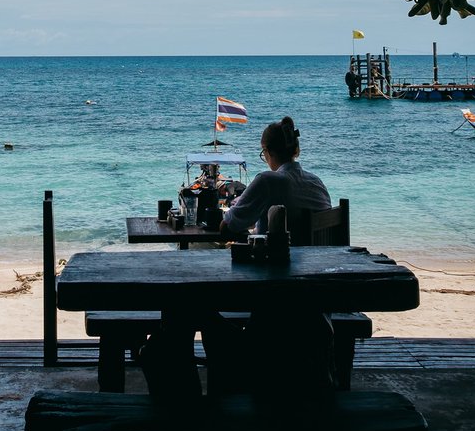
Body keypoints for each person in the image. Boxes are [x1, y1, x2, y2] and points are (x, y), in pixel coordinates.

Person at [140, 116, 337, 403]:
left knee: (185, 305)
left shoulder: (269, 181)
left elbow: (227, 227)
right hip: (315, 321)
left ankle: (186, 401)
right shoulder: (317, 184)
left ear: (267, 152)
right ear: (295, 150)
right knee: (189, 310)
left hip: (271, 328)